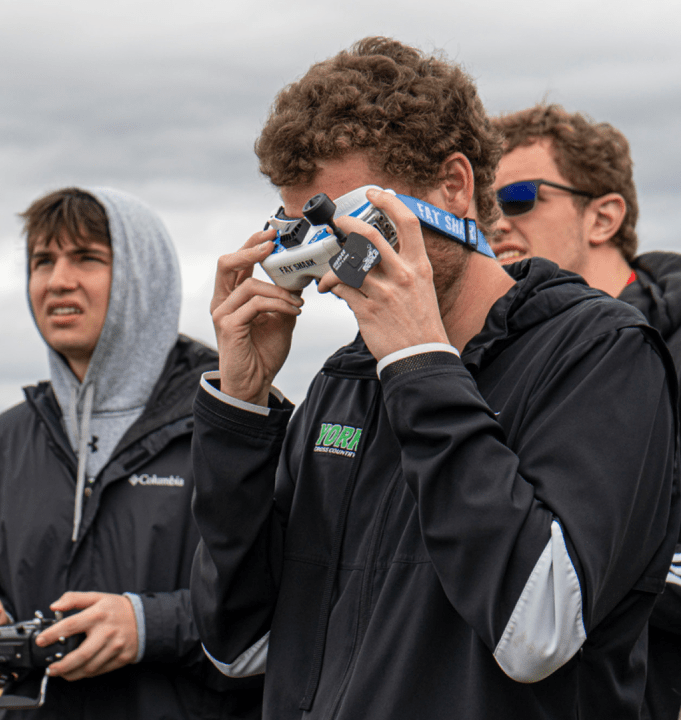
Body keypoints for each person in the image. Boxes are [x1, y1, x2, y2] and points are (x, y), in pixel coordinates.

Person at [188, 37, 680, 719]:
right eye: (301, 232)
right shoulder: (349, 379)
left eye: (344, 221)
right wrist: (240, 411)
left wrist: (420, 363)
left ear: (454, 185)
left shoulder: (601, 353)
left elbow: (535, 632)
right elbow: (237, 645)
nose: (328, 263)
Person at [0, 187, 262, 719]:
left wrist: (148, 626)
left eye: (87, 258)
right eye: (42, 261)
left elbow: (290, 606)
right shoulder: (4, 441)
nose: (58, 280)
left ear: (143, 277)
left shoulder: (238, 421)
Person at [491, 103, 681, 720]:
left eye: (519, 198)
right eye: (482, 206)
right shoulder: (493, 359)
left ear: (603, 216)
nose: (495, 222)